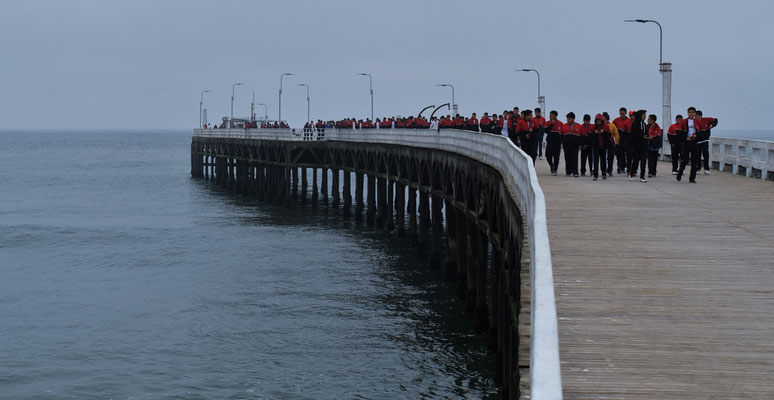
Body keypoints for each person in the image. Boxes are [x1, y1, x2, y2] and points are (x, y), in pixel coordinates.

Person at [676, 107, 718, 183]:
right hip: (686, 143)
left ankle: (692, 178)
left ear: (695, 113)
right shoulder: (684, 121)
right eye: (690, 112)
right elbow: (678, 132)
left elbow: (702, 133)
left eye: (692, 112)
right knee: (685, 160)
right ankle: (680, 173)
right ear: (687, 113)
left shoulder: (698, 122)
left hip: (695, 143)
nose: (691, 114)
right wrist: (686, 138)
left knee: (694, 161)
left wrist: (696, 135)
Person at [628, 110, 649, 182]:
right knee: (636, 161)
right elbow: (633, 135)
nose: (645, 117)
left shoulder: (644, 124)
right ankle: (631, 173)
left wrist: (649, 136)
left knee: (643, 161)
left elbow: (645, 134)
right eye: (644, 115)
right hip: (636, 146)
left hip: (644, 146)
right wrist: (642, 137)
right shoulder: (635, 124)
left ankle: (642, 177)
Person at [589, 114, 611, 181]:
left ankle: (603, 174)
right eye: (597, 121)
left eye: (600, 121)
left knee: (603, 161)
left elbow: (609, 135)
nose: (599, 122)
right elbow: (589, 135)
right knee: (595, 161)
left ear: (602, 121)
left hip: (603, 146)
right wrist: (594, 133)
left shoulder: (606, 127)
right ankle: (595, 175)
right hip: (595, 146)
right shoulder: (592, 126)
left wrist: (603, 132)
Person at [560, 112, 582, 177]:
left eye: (569, 119)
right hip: (566, 145)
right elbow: (561, 135)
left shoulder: (578, 126)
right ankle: (568, 171)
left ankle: (575, 172)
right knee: (567, 158)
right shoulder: (564, 126)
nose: (568, 120)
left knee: (574, 158)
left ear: (573, 119)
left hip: (575, 145)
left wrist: (579, 143)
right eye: (567, 119)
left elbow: (581, 136)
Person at [544, 110, 564, 175]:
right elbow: (546, 131)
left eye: (551, 116)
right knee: (547, 155)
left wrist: (560, 141)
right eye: (550, 115)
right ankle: (551, 165)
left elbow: (562, 133)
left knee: (556, 157)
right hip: (550, 142)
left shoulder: (560, 123)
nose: (550, 117)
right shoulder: (547, 123)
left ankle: (555, 169)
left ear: (555, 116)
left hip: (557, 143)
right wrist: (551, 124)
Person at [612, 107, 631, 174]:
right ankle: (620, 167)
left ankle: (624, 167)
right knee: (619, 154)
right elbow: (612, 129)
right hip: (618, 140)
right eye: (620, 113)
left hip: (626, 140)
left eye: (623, 113)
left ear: (626, 113)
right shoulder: (616, 120)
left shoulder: (629, 121)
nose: (622, 115)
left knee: (626, 155)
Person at [696, 110, 712, 174]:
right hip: (697, 141)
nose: (695, 117)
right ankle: (698, 168)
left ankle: (706, 169)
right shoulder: (695, 122)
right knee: (697, 155)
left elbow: (715, 120)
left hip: (705, 141)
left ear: (700, 115)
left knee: (706, 155)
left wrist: (712, 126)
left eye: (696, 116)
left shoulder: (706, 120)